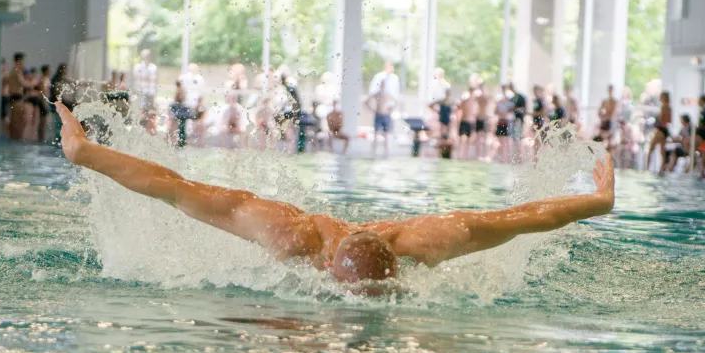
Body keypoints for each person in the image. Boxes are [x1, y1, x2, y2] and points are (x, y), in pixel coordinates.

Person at [56, 102, 615, 290]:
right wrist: (84, 153)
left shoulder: (428, 240)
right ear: (325, 264)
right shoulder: (286, 232)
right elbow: (176, 189)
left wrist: (598, 202)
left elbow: (518, 217)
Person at [366, 62, 400, 156]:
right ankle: (373, 152)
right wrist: (373, 110)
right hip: (378, 113)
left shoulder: (387, 93)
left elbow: (396, 100)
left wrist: (390, 108)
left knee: (386, 134)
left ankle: (386, 152)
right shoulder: (377, 93)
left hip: (386, 114)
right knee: (376, 134)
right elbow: (367, 101)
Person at [646, 91, 672, 173]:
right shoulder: (669, 107)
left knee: (651, 148)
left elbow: (662, 120)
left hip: (661, 130)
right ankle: (662, 168)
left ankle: (647, 168)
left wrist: (657, 124)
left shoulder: (664, 107)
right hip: (665, 130)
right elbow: (669, 120)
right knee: (662, 150)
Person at [7, 53, 27, 140]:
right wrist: (34, 82)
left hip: (14, 98)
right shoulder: (17, 71)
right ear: (19, 61)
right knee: (19, 122)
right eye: (23, 61)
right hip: (17, 98)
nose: (24, 63)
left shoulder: (12, 71)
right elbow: (23, 83)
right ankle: (17, 140)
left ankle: (13, 139)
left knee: (15, 121)